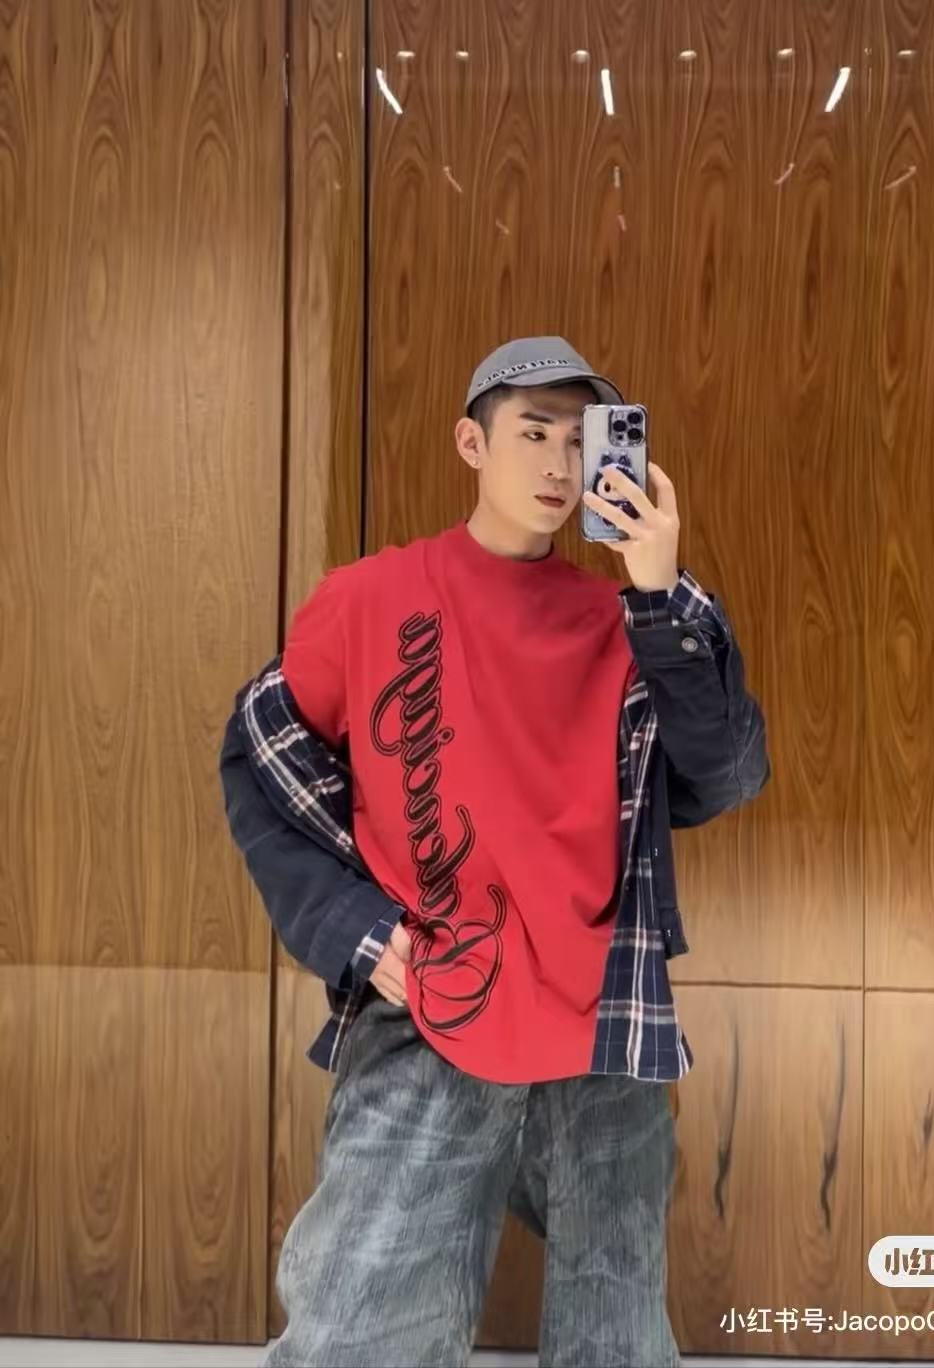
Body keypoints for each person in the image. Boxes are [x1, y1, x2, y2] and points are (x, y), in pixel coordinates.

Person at [219, 337, 769, 1368]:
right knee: (359, 1335)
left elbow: (725, 773)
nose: (560, 465)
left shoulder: (626, 621)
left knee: (614, 1337)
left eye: (581, 438)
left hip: (603, 1026)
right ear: (472, 443)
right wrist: (353, 931)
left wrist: (659, 592)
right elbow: (260, 755)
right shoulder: (371, 598)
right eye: (533, 433)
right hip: (433, 1008)